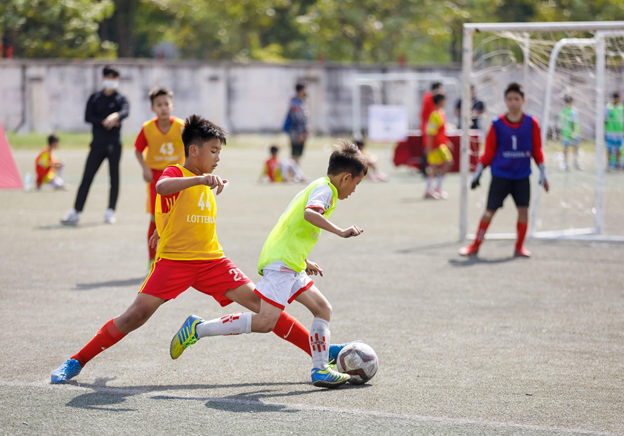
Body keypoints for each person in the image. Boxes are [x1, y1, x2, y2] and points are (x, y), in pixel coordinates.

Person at [50, 115, 348, 384]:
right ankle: (76, 361)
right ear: (194, 150)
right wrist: (198, 183)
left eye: (220, 152)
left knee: (265, 306)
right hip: (174, 263)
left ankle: (318, 349)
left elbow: (180, 215)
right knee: (134, 317)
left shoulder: (207, 181)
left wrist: (161, 229)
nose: (218, 158)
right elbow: (162, 189)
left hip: (213, 262)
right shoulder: (177, 172)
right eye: (213, 151)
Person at [170, 140, 368, 389]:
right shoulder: (325, 191)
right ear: (346, 177)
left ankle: (320, 369)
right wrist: (340, 231)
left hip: (291, 263)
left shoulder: (319, 186)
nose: (354, 190)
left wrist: (304, 261)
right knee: (265, 322)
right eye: (356, 184)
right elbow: (309, 214)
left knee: (322, 308)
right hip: (282, 264)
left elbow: (294, 226)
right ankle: (198, 329)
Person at [460, 83, 549, 258]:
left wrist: (543, 171)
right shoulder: (497, 124)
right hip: (501, 175)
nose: (513, 102)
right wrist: (479, 172)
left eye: (516, 99)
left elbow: (537, 149)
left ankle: (519, 247)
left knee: (523, 212)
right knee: (489, 212)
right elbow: (490, 151)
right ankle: (475, 246)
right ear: (505, 101)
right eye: (510, 99)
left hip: (522, 176)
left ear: (523, 100)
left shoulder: (531, 123)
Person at [61, 65, 129, 225]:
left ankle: (110, 210)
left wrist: (116, 116)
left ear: (117, 80)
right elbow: (88, 117)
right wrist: (105, 121)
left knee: (114, 178)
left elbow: (125, 112)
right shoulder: (95, 98)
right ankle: (76, 211)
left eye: (114, 78)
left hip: (114, 145)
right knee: (87, 177)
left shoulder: (121, 100)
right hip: (97, 144)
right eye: (108, 77)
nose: (110, 81)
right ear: (103, 78)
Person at [134, 87, 185, 270]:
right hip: (156, 178)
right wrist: (145, 168)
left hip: (178, 176)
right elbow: (138, 150)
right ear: (152, 108)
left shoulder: (181, 126)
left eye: (166, 104)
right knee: (156, 219)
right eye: (159, 105)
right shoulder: (147, 128)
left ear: (172, 105)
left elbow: (192, 148)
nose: (163, 108)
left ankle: (177, 258)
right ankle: (152, 259)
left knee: (179, 217)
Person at [424, 94, 454, 199]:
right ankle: (428, 190)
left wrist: (447, 141)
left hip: (442, 145)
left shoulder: (441, 113)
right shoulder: (434, 115)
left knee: (448, 163)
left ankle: (437, 187)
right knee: (433, 167)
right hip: (435, 146)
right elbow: (430, 132)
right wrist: (429, 147)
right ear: (440, 101)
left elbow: (442, 131)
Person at [283, 83, 309, 175]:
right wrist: (301, 133)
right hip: (296, 131)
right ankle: (292, 173)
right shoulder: (295, 103)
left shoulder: (301, 102)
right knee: (295, 152)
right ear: (300, 91)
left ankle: (295, 173)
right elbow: (296, 119)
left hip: (300, 132)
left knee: (298, 153)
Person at [420, 82, 443, 177]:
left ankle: (430, 169)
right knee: (428, 148)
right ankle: (426, 168)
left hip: (433, 128)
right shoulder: (429, 99)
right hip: (430, 127)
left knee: (430, 149)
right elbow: (424, 113)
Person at [559, 95, 581, 171]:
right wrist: (574, 131)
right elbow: (573, 121)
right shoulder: (572, 110)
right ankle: (575, 163)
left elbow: (561, 122)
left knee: (566, 148)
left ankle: (566, 163)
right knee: (574, 147)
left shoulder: (563, 110)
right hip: (572, 132)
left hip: (565, 132)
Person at [605, 92, 623, 170]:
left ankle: (617, 163)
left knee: (619, 148)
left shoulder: (621, 107)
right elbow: (605, 120)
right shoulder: (608, 107)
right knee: (609, 148)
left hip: (619, 132)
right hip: (610, 132)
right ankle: (609, 164)